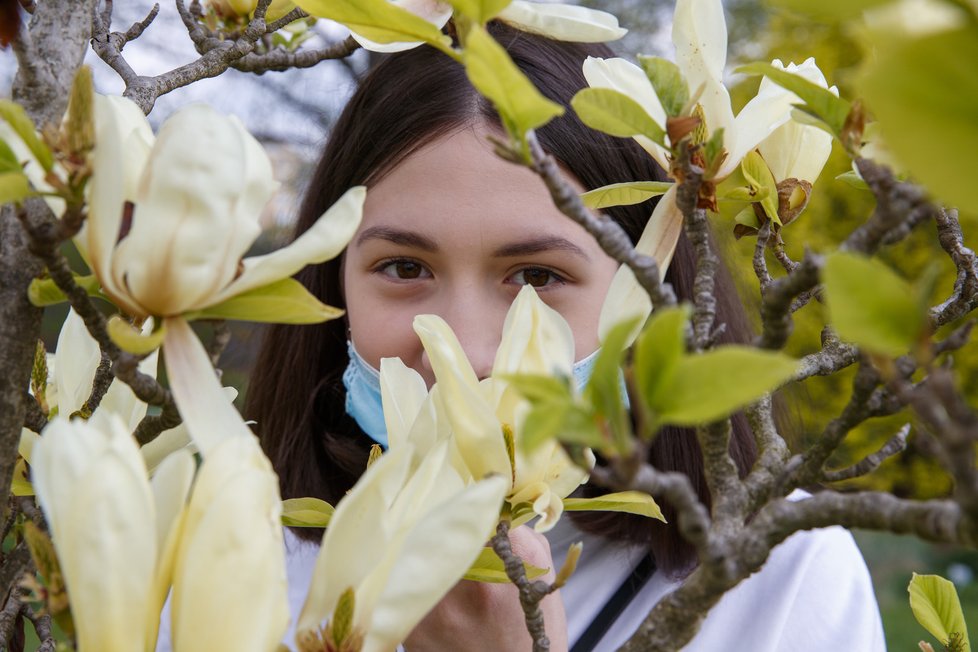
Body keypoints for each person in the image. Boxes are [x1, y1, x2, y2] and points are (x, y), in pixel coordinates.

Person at [246, 20, 886, 652]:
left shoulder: (782, 582)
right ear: (333, 281)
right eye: (405, 268)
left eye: (536, 276)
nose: (467, 353)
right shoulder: (237, 549)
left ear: (644, 294)